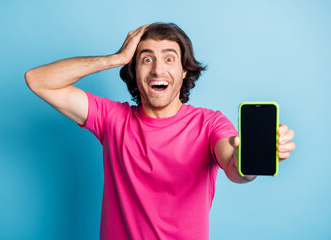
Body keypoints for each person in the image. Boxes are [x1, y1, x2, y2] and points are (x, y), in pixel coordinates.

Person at [25, 23, 295, 240]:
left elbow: (235, 168)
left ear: (184, 70)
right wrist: (115, 58)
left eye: (169, 58)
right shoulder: (111, 118)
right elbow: (38, 80)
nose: (158, 69)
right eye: (146, 59)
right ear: (134, 70)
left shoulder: (209, 123)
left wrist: (252, 157)